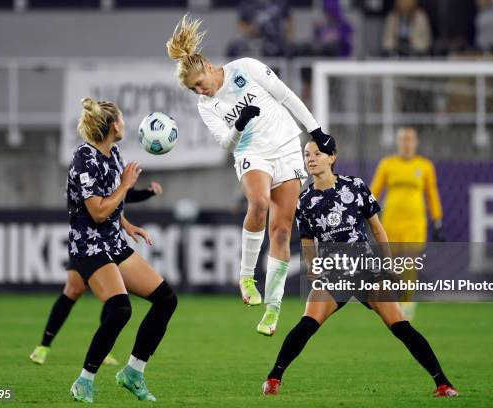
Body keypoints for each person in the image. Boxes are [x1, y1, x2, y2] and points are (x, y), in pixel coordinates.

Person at [166, 14, 335, 336]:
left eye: (199, 84)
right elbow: (228, 144)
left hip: (286, 147)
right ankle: (246, 277)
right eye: (192, 89)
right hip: (251, 153)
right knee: (259, 203)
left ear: (210, 68)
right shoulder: (206, 105)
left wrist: (316, 130)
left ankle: (272, 310)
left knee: (283, 231)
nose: (199, 91)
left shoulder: (246, 68)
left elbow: (286, 96)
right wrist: (240, 123)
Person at [262, 138, 458, 398]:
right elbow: (308, 240)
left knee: (400, 325)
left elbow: (377, 228)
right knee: (307, 324)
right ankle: (273, 379)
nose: (310, 158)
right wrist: (313, 267)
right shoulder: (305, 200)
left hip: (366, 270)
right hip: (334, 273)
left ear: (332, 157)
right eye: (307, 154)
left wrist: (388, 265)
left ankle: (443, 384)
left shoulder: (354, 186)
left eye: (317, 153)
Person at [66, 98, 177, 403]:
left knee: (166, 300)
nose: (125, 124)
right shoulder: (84, 159)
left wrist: (126, 223)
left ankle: (133, 372)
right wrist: (126, 185)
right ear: (113, 125)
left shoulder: (112, 153)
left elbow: (109, 207)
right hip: (89, 246)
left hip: (113, 241)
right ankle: (84, 381)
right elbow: (98, 211)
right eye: (122, 120)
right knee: (120, 310)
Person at [29, 182, 163, 367]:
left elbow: (123, 194)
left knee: (116, 295)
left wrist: (147, 192)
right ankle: (43, 346)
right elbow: (95, 202)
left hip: (109, 243)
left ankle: (103, 350)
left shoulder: (113, 161)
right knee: (73, 290)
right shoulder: (85, 166)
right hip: (87, 243)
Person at [370, 127, 444, 320]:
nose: (406, 144)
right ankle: (394, 304)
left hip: (415, 224)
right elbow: (374, 191)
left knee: (409, 265)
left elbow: (432, 194)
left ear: (415, 142)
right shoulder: (387, 165)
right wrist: (363, 213)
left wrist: (437, 220)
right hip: (391, 222)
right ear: (397, 142)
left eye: (410, 140)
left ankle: (407, 305)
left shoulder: (425, 166)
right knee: (391, 266)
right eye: (403, 140)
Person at [226, 0, 293, 58]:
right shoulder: (247, 3)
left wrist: (288, 36)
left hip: (275, 40)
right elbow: (240, 22)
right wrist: (249, 30)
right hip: (254, 40)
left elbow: (289, 19)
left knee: (284, 50)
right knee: (233, 49)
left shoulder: (279, 2)